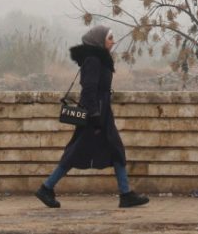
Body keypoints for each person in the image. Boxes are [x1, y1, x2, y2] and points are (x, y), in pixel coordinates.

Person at [35, 25, 149, 209]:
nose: (113, 41)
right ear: (99, 40)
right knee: (76, 152)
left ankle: (126, 193)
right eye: (110, 38)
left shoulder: (99, 58)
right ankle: (46, 187)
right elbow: (89, 89)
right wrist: (95, 116)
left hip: (102, 111)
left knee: (116, 150)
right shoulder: (93, 60)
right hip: (95, 113)